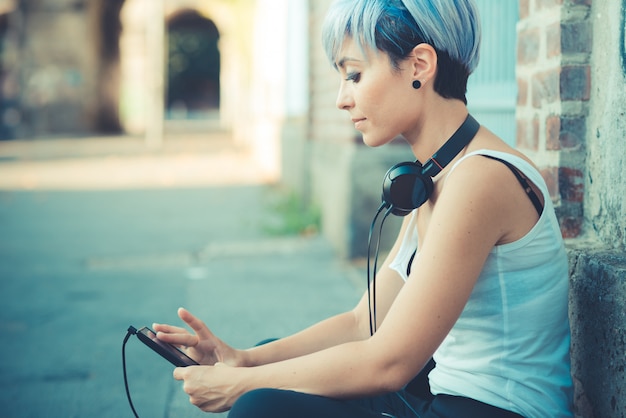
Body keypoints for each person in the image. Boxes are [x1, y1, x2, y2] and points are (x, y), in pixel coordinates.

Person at [153, 0, 575, 416]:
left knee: (259, 406)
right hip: (436, 397)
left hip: (489, 411)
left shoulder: (479, 178)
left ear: (419, 66)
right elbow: (363, 323)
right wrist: (243, 361)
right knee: (268, 362)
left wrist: (241, 386)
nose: (341, 98)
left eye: (354, 75)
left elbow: (389, 362)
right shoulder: (433, 177)